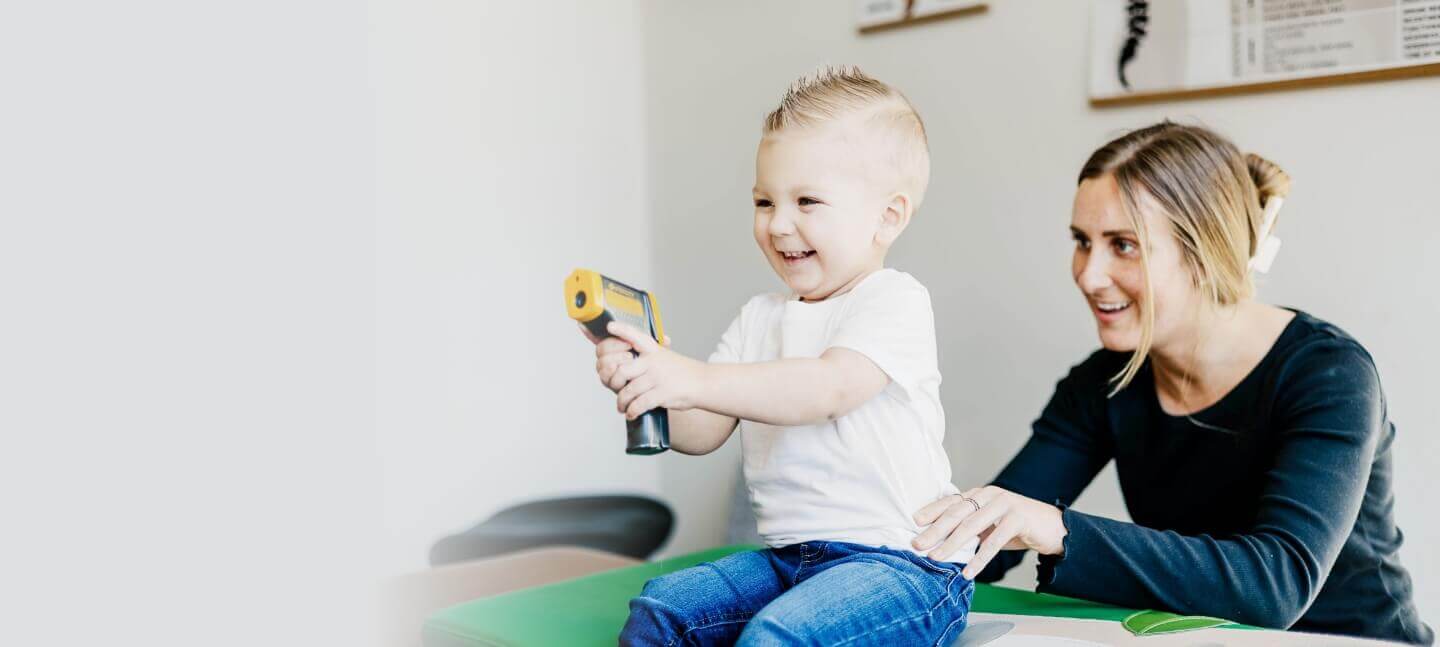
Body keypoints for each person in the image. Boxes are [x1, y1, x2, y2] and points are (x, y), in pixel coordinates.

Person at [911, 121, 1433, 645]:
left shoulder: (1330, 375)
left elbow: (1274, 586)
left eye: (1123, 245)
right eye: (1082, 241)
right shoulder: (1106, 381)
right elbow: (991, 534)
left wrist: (1057, 529)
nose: (1089, 275)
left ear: (1205, 252)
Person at [583, 66, 973, 645]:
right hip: (790, 561)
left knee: (778, 636)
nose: (778, 223)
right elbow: (704, 429)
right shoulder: (759, 316)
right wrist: (655, 384)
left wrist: (691, 378)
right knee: (662, 609)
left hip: (902, 568)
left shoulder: (894, 301)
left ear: (887, 217)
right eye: (764, 201)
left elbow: (827, 389)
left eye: (807, 201)